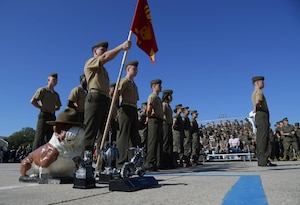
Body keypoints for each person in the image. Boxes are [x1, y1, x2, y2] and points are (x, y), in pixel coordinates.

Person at [83, 40, 131, 154]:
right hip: (94, 97)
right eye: (102, 49)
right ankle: (85, 161)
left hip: (104, 98)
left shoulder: (104, 70)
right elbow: (105, 57)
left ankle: (102, 162)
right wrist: (121, 47)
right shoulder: (91, 62)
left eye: (105, 49)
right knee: (90, 130)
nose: (105, 51)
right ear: (95, 52)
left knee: (104, 132)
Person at [20, 108, 85, 178]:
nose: (76, 130)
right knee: (26, 163)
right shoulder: (53, 150)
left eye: (77, 126)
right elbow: (44, 163)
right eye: (69, 127)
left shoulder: (77, 147)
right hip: (33, 167)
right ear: (57, 129)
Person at [116, 60, 140, 168]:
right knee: (124, 136)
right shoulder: (124, 81)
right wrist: (118, 108)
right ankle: (120, 162)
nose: (136, 71)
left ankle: (132, 161)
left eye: (137, 69)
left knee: (133, 137)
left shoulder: (134, 85)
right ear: (128, 69)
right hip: (125, 108)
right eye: (134, 69)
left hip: (133, 108)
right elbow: (116, 94)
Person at [30, 73, 62, 150]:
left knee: (51, 137)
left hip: (52, 116)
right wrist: (40, 107)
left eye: (56, 80)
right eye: (53, 80)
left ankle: (48, 157)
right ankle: (34, 157)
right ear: (48, 80)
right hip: (44, 115)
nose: (55, 82)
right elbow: (33, 101)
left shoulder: (56, 94)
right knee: (39, 137)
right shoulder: (43, 90)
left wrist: (53, 109)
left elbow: (59, 106)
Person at [251, 76, 276, 166]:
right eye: (262, 82)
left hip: (261, 115)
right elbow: (258, 101)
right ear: (257, 83)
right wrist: (256, 107)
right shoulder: (259, 91)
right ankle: (263, 161)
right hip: (262, 114)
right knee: (263, 138)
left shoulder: (255, 92)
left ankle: (262, 160)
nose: (263, 83)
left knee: (261, 138)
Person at [145, 79, 164, 171]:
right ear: (154, 87)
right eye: (159, 86)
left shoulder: (158, 98)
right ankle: (149, 163)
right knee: (152, 142)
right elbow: (149, 108)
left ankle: (155, 162)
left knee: (157, 142)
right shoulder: (152, 96)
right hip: (154, 119)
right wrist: (148, 117)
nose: (161, 87)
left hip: (159, 119)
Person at [161, 89, 174, 169]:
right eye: (170, 95)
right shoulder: (164, 105)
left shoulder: (168, 105)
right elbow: (162, 114)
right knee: (165, 143)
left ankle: (169, 162)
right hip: (165, 124)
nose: (171, 97)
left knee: (169, 144)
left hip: (169, 125)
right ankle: (164, 162)